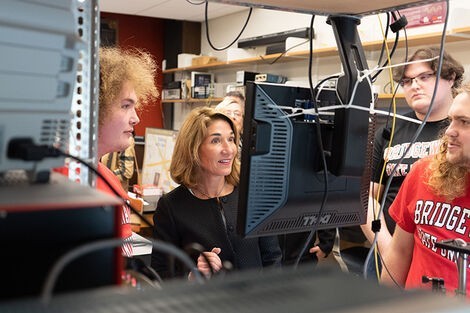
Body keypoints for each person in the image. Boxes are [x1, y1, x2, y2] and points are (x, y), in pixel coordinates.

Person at [360, 47, 464, 278]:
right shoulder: (389, 129)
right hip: (388, 253)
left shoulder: (461, 133)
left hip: (444, 262)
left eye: (424, 77)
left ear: (450, 78)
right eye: (407, 81)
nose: (414, 85)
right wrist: (388, 247)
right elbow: (365, 196)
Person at [150, 106, 282, 279]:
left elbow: (273, 259)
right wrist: (193, 276)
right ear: (193, 149)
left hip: (256, 302)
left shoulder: (252, 194)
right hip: (206, 304)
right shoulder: (172, 206)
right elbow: (161, 273)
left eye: (231, 139)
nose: (229, 149)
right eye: (216, 141)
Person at [381, 83, 470, 296]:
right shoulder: (424, 172)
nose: (450, 131)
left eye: (464, 122)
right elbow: (399, 251)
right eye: (451, 121)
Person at [97, 47, 158, 256]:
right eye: (125, 106)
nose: (136, 118)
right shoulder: (58, 180)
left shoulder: (109, 179)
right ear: (94, 107)